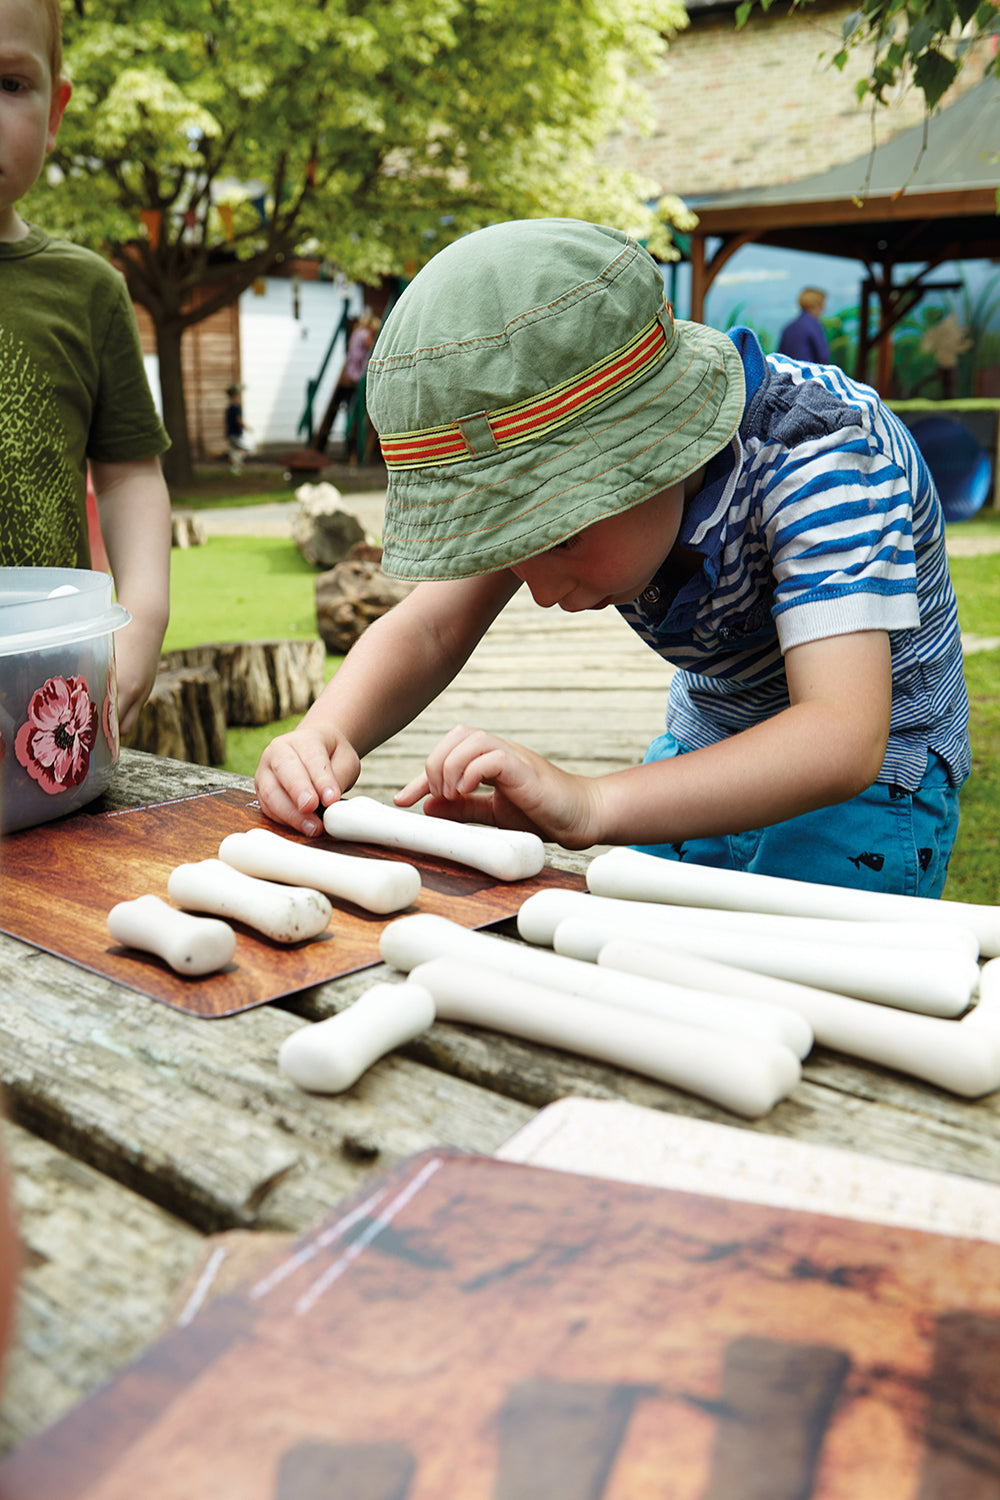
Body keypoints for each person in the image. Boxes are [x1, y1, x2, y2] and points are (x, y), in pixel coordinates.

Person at [256, 219, 970, 898]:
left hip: (878, 781)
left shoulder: (820, 453)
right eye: (510, 551)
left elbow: (842, 735)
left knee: (808, 1007)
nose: (534, 590)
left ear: (663, 447)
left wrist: (592, 802)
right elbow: (430, 628)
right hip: (708, 739)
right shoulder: (555, 454)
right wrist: (323, 734)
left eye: (560, 537)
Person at [0, 0, 171, 736]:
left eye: (9, 83)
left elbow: (131, 475)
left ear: (55, 107)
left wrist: (142, 620)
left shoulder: (89, 292)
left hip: (43, 697)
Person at [778, 287, 831, 364]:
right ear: (819, 305)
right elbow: (823, 356)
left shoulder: (788, 327)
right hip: (809, 373)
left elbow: (780, 356)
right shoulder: (814, 325)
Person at [224, 382, 249, 473]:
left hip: (229, 433)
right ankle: (237, 466)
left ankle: (235, 467)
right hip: (235, 433)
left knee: (234, 450)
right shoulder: (236, 408)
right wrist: (246, 427)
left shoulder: (229, 408)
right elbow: (238, 420)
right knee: (245, 449)